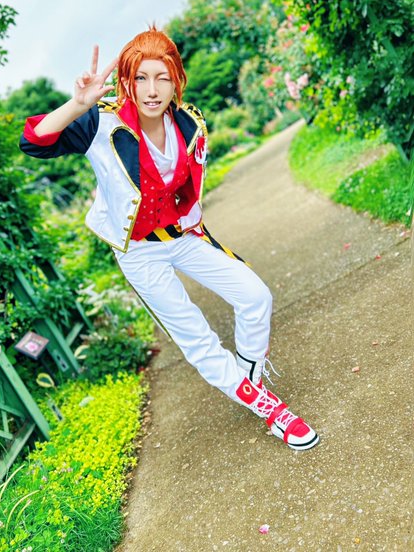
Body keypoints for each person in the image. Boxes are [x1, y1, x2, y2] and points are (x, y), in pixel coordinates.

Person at [19, 26, 319, 451]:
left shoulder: (188, 120)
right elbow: (33, 142)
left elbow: (187, 187)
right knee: (197, 338)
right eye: (141, 78)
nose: (152, 90)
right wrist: (78, 104)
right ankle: (271, 410)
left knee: (256, 296)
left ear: (176, 79)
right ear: (126, 82)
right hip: (140, 252)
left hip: (183, 236)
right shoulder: (100, 123)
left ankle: (249, 382)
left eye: (162, 77)